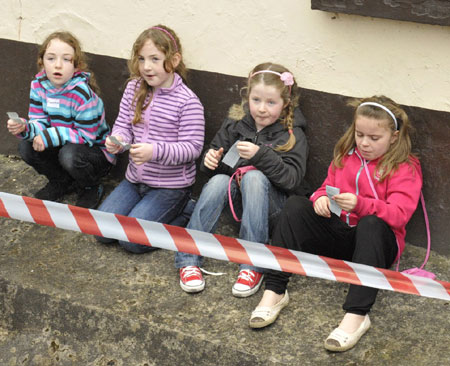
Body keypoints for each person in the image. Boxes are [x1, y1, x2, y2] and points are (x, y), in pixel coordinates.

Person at [249, 95, 422, 352]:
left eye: (374, 138)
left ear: (394, 137)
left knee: (372, 223)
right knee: (297, 205)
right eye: (360, 134)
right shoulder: (345, 155)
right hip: (342, 238)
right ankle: (275, 291)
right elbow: (324, 188)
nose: (364, 143)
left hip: (376, 248)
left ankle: (357, 315)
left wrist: (362, 204)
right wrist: (320, 199)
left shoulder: (404, 168)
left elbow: (399, 215)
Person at [175, 62, 309, 297]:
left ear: (286, 103)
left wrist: (260, 156)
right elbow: (220, 163)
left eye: (271, 102)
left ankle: (252, 264)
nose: (262, 109)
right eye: (256, 100)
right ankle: (188, 257)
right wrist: (211, 161)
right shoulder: (236, 125)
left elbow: (292, 180)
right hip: (240, 207)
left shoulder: (292, 133)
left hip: (273, 211)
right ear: (247, 97)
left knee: (255, 177)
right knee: (217, 182)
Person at [95, 25, 205, 254]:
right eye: (142, 58)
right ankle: (145, 215)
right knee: (101, 232)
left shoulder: (188, 102)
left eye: (155, 59)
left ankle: (184, 212)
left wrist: (154, 151)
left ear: (174, 60)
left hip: (170, 188)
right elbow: (123, 124)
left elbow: (192, 148)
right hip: (135, 181)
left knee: (131, 242)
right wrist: (117, 140)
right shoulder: (134, 87)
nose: (146, 66)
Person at [6, 31, 114, 209]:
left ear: (76, 66)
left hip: (93, 152)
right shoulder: (38, 86)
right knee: (25, 146)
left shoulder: (82, 94)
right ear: (42, 62)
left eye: (66, 59)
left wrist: (49, 136)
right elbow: (39, 121)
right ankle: (61, 181)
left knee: (69, 155)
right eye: (51, 58)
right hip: (62, 143)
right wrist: (25, 128)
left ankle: (90, 186)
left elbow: (87, 136)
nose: (58, 65)